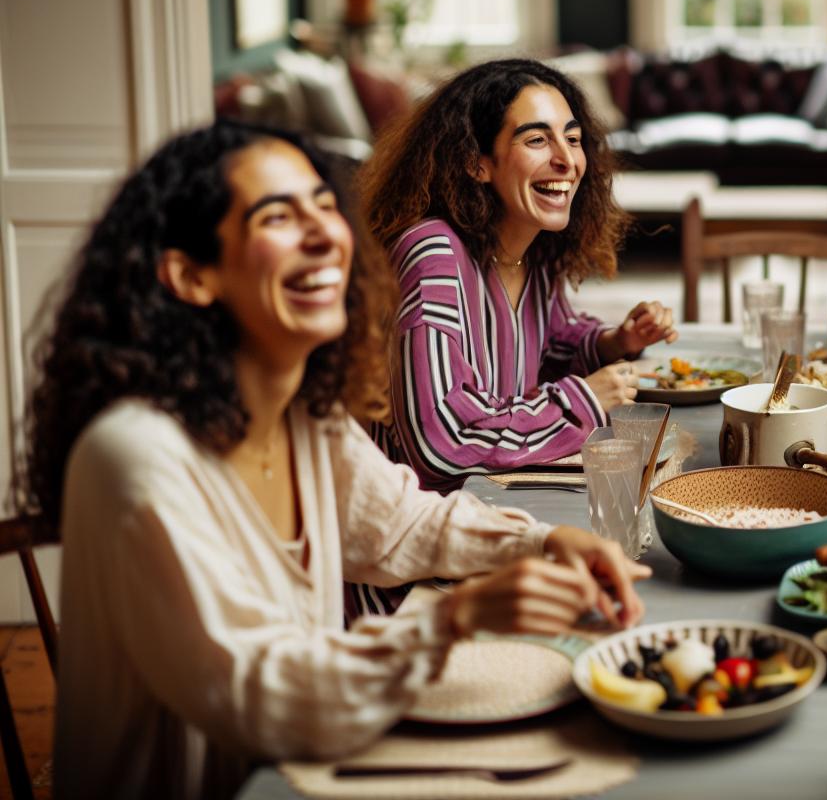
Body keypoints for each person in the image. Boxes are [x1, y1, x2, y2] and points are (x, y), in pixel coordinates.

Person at [23, 123, 651, 798]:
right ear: (191, 274)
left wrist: (547, 539)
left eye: (325, 206)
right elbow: (258, 694)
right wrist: (456, 619)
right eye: (278, 217)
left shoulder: (306, 415)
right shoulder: (136, 457)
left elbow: (404, 527)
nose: (325, 234)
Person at [360, 58, 677, 494]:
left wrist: (616, 342)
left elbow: (551, 340)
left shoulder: (533, 252)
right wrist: (582, 402)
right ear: (477, 163)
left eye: (573, 139)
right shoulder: (432, 253)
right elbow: (439, 441)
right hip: (413, 526)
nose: (566, 160)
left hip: (494, 500)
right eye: (536, 140)